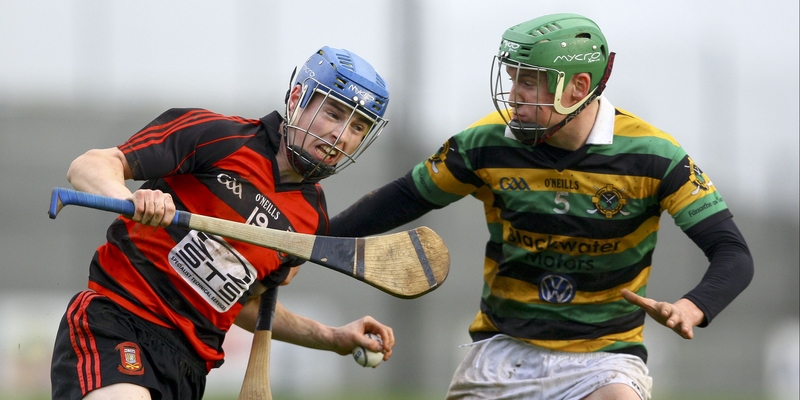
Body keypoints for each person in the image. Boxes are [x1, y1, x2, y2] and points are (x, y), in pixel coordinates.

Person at [329, 13, 754, 400]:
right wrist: (310, 241)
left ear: (578, 88)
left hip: (604, 357)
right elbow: (404, 197)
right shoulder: (485, 142)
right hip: (504, 350)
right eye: (513, 78)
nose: (513, 95)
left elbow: (733, 253)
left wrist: (690, 307)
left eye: (529, 82)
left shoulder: (654, 156)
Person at [50, 46, 396, 400]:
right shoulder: (219, 137)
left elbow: (247, 307)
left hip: (189, 368)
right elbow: (89, 165)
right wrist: (130, 199)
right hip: (117, 321)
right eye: (334, 114)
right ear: (298, 97)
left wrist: (332, 337)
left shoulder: (311, 219)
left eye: (358, 126)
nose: (342, 136)